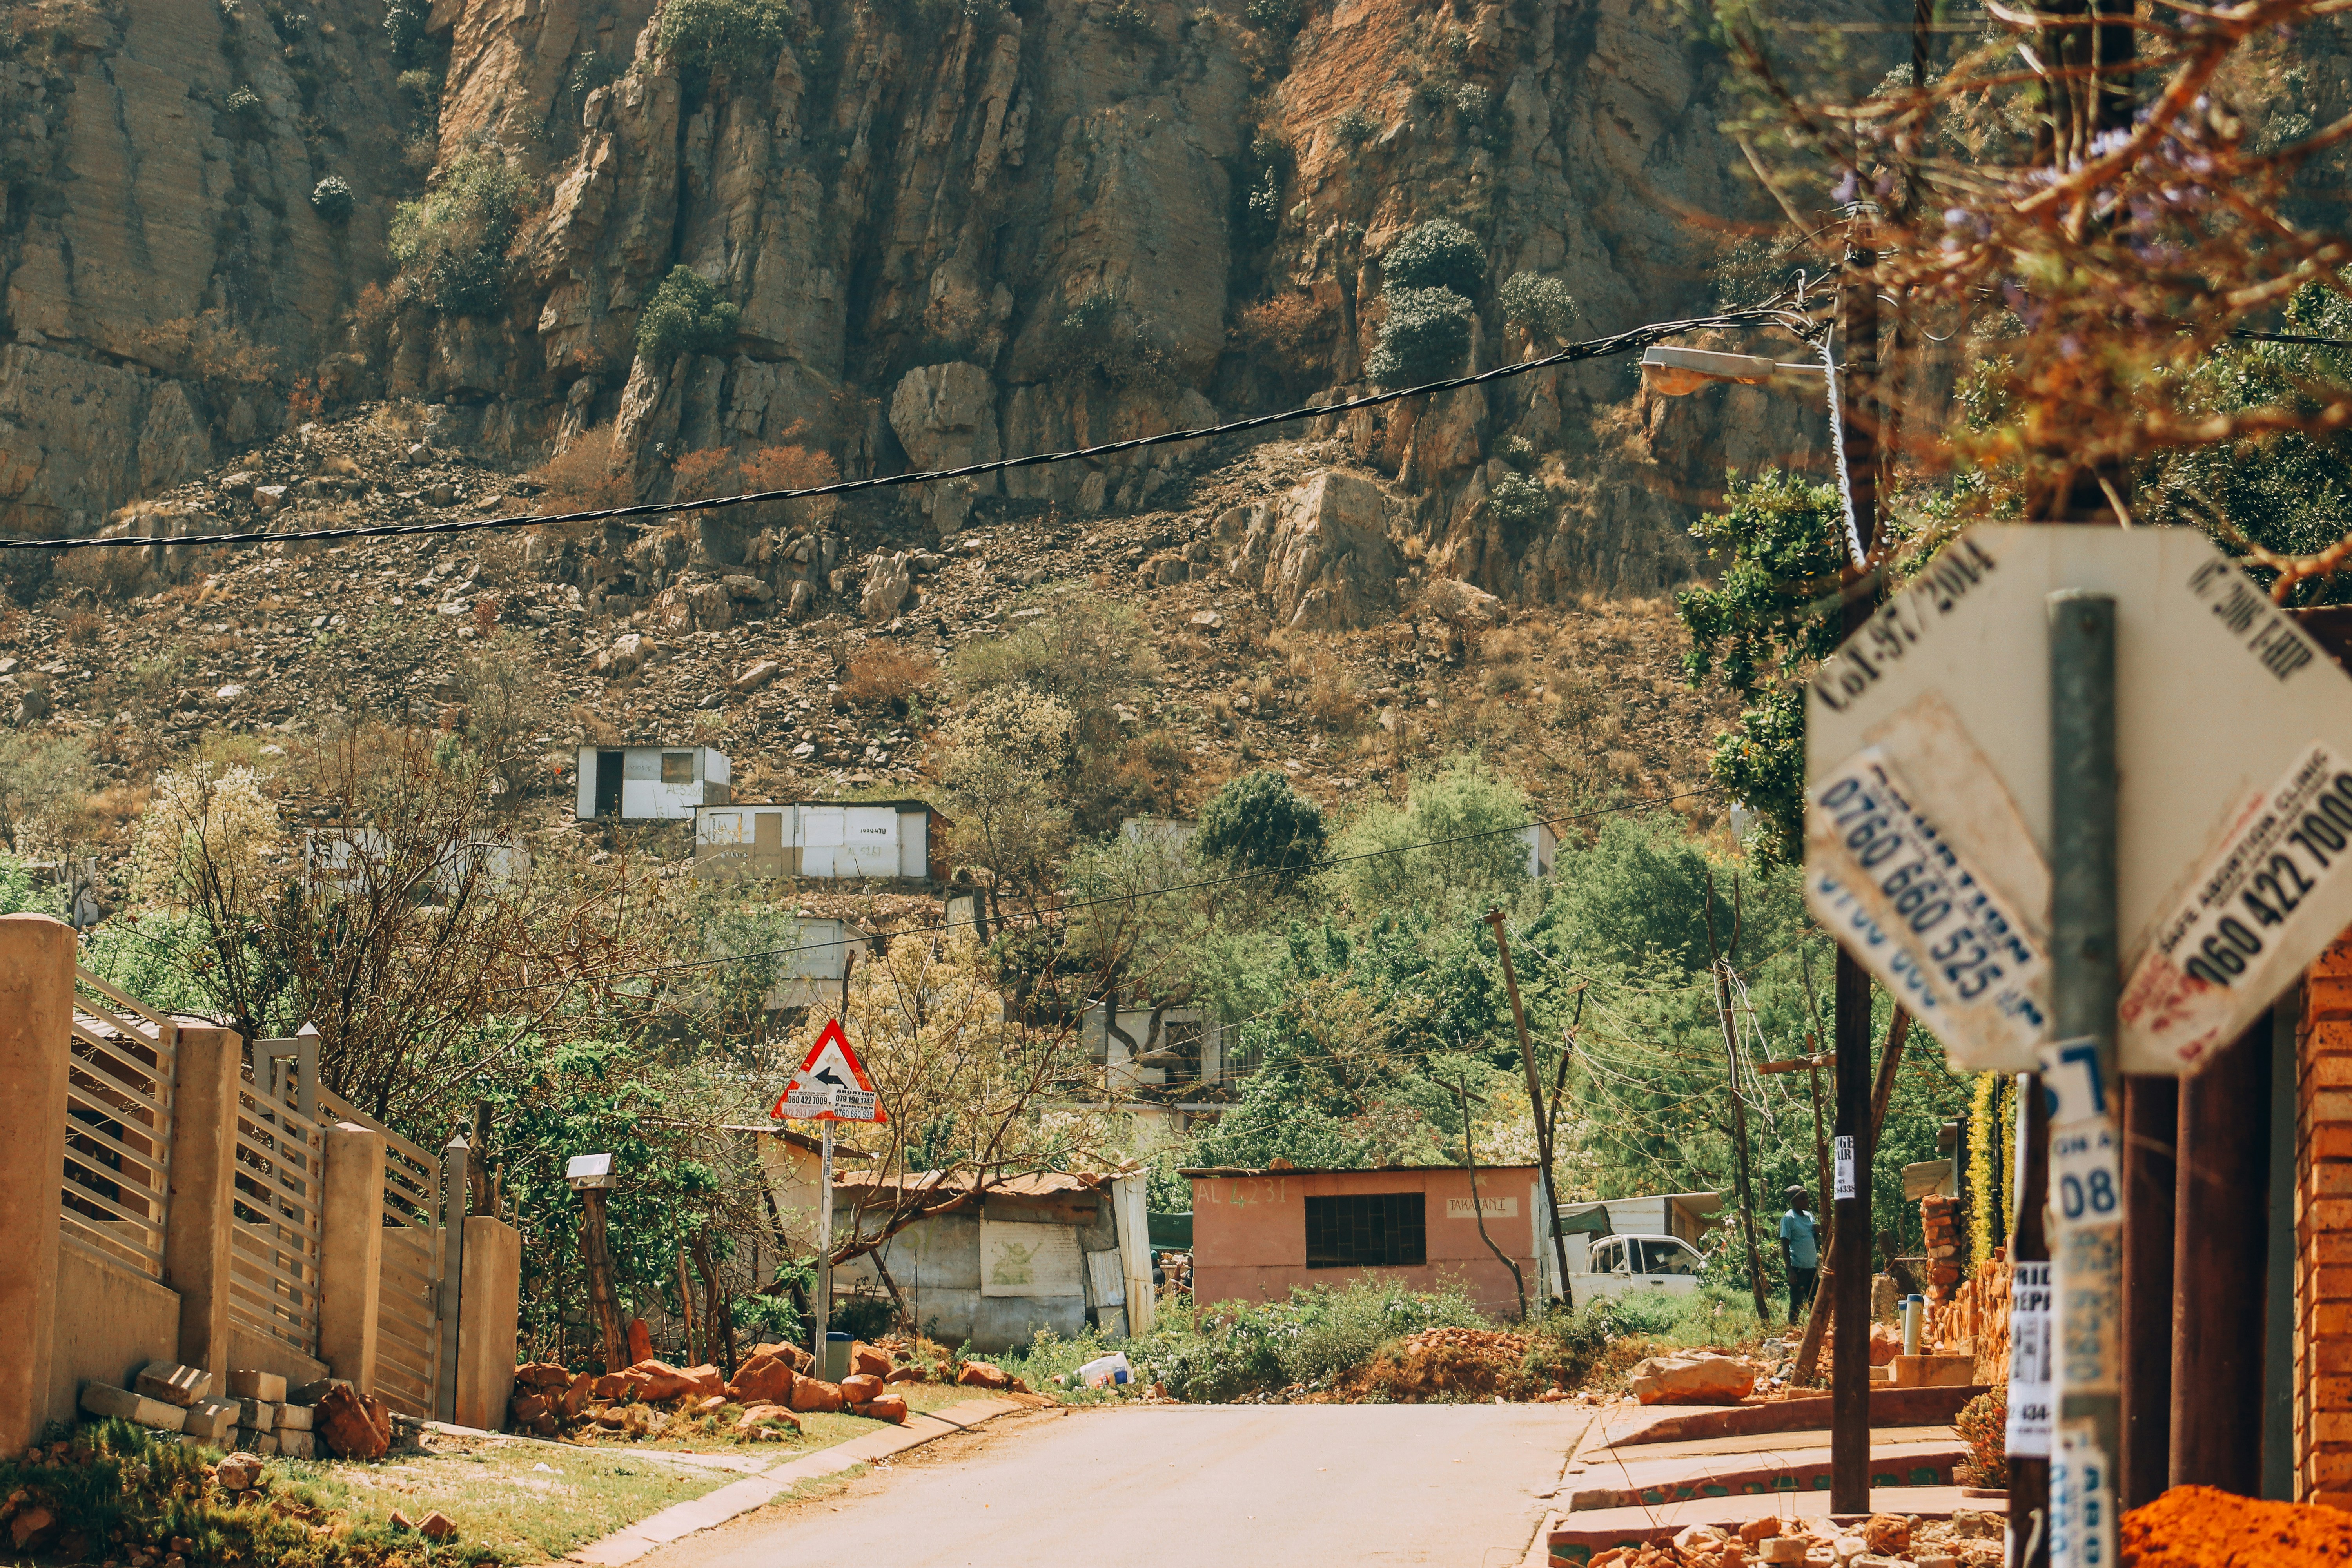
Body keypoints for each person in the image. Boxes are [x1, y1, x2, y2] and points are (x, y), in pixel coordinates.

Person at [1779, 1184, 1820, 1324]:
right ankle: (1792, 1331)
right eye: (1803, 1198)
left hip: (1812, 1268)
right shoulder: (1789, 1219)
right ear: (1794, 1201)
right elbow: (1784, 1245)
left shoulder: (1809, 1217)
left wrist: (1817, 1232)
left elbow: (1813, 1241)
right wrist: (1790, 1270)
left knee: (1815, 1303)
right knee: (1796, 1304)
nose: (1806, 1201)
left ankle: (1815, 1331)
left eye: (1807, 1198)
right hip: (1798, 1269)